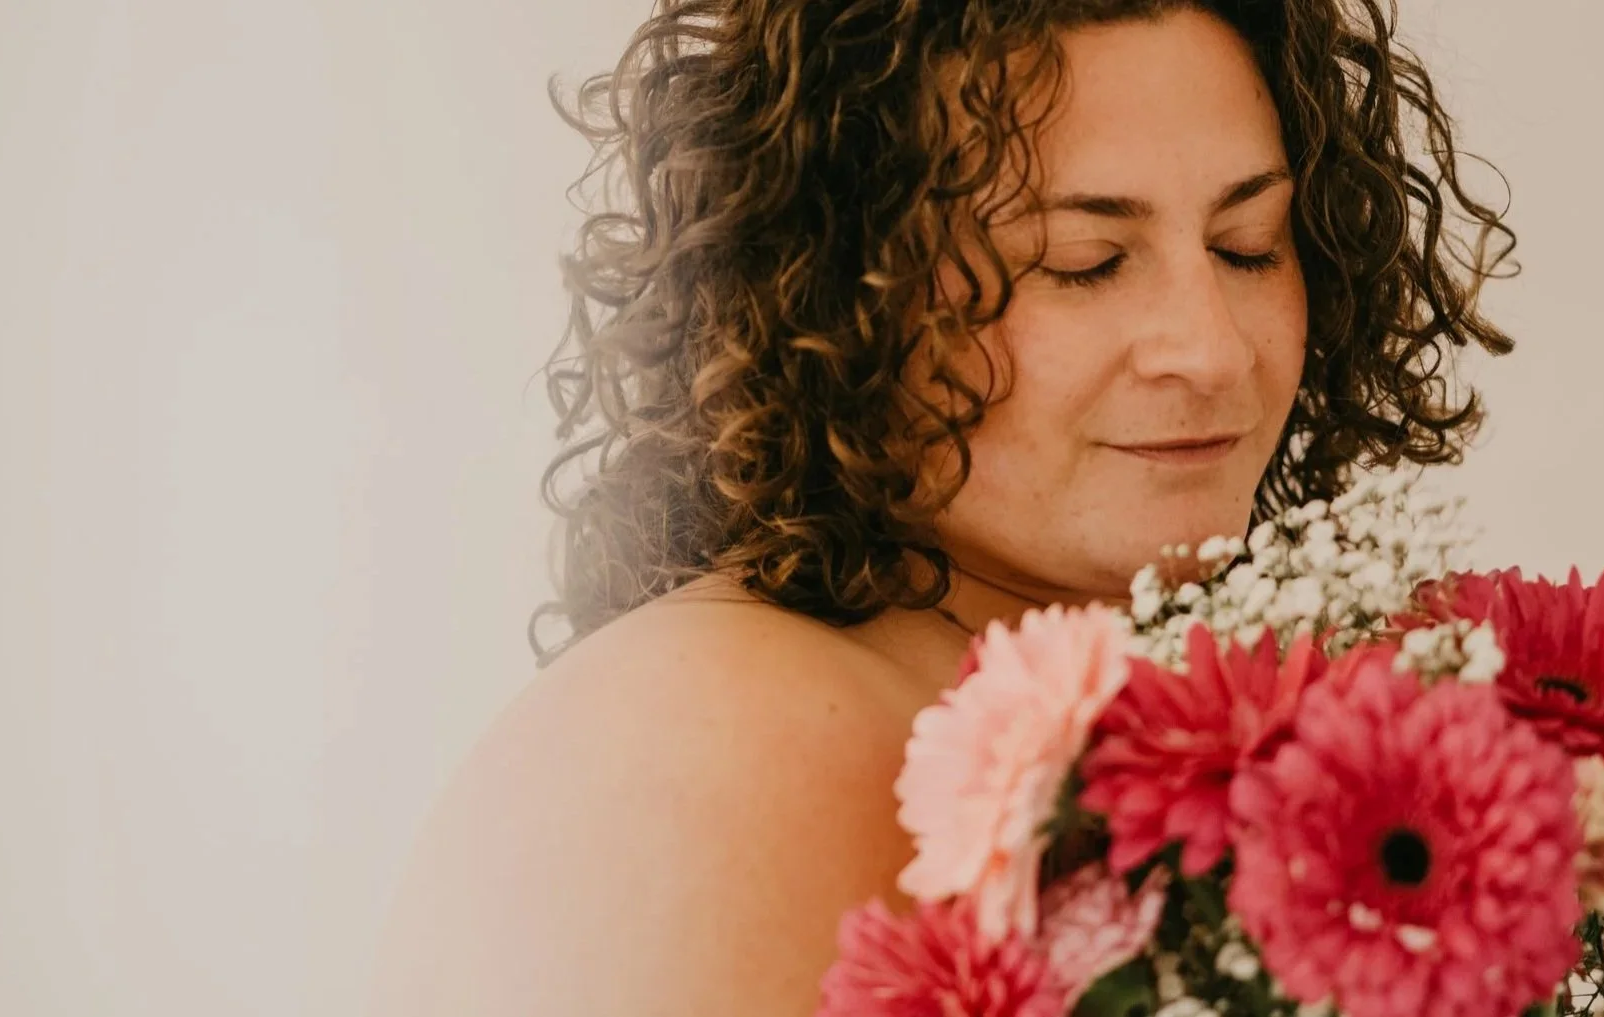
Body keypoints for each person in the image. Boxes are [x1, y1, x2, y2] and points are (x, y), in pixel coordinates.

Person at [371, 1, 1515, 1014]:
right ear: (841, 288)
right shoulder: (735, 736)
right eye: (1082, 261)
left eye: (1246, 246)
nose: (1210, 350)